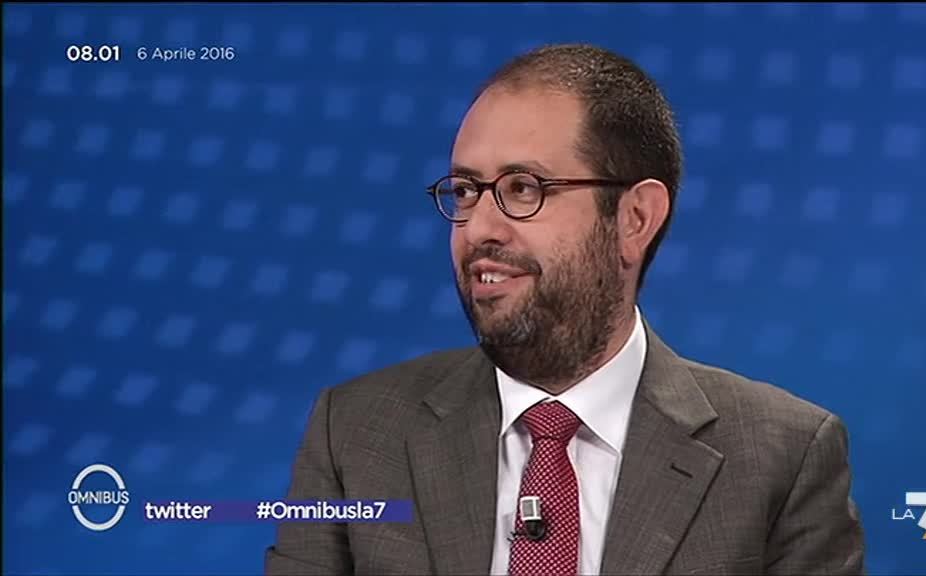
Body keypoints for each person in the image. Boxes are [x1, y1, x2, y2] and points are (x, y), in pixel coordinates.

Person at [265, 43, 864, 576]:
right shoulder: (356, 433)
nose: (479, 227)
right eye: (466, 191)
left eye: (523, 189)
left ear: (635, 219)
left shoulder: (782, 457)